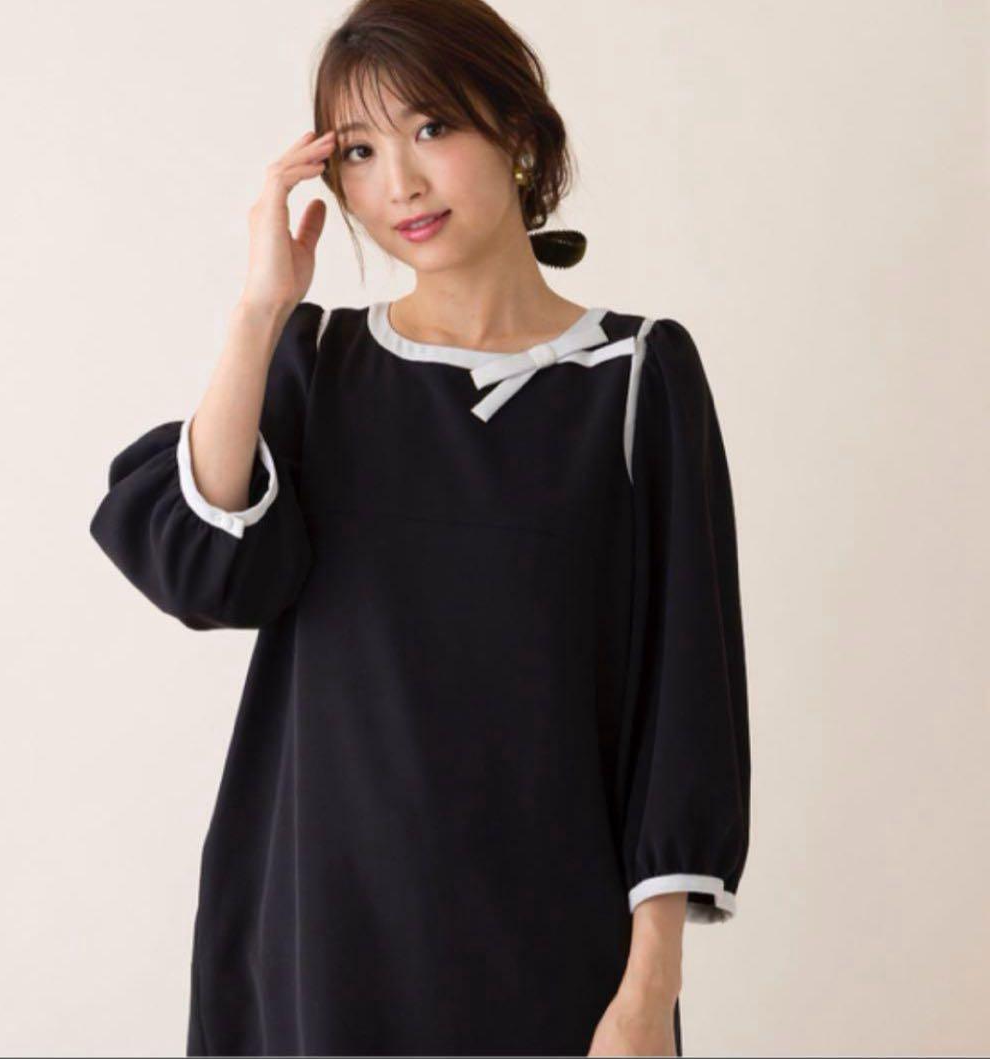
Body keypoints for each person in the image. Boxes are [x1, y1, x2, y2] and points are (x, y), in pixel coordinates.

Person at [88, 0, 751, 1054]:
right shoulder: (319, 367)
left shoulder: (634, 378)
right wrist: (262, 310)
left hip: (551, 947)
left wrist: (648, 990)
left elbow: (686, 701)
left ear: (518, 131)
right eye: (359, 150)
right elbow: (208, 574)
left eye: (433, 128)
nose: (399, 181)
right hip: (320, 933)